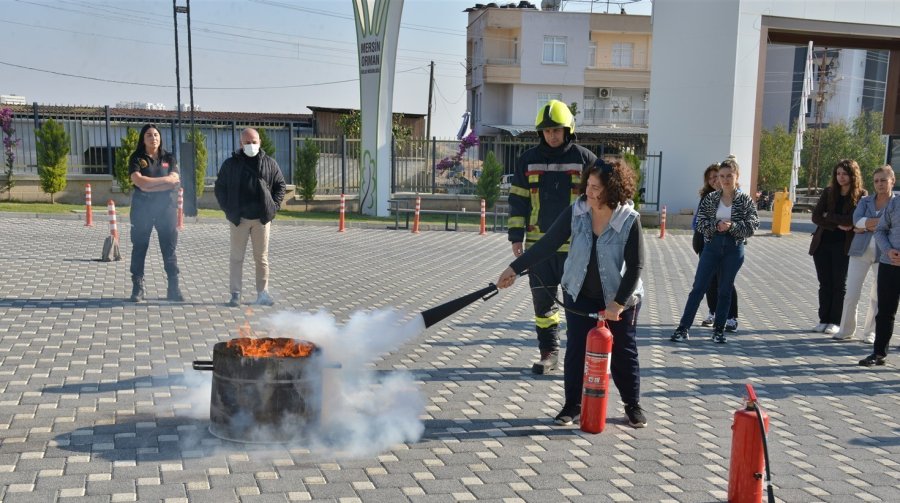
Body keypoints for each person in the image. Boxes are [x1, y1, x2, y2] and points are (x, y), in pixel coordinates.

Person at [497, 159, 647, 428]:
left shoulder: (628, 220)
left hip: (620, 298)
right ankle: (572, 406)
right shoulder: (576, 211)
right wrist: (514, 269)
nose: (588, 192)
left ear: (612, 189)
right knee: (577, 349)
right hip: (579, 292)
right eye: (587, 185)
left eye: (596, 188)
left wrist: (617, 303)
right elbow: (547, 244)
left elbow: (636, 266)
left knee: (624, 351)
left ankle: (632, 405)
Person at [507, 99, 597, 374]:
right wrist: (516, 237)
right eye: (547, 131)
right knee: (543, 305)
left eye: (557, 130)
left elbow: (601, 199)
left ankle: (581, 354)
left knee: (578, 306)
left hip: (577, 247)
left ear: (568, 129)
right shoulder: (528, 160)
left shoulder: (585, 159)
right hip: (539, 247)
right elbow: (518, 201)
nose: (552, 135)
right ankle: (549, 354)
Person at [671, 157, 759, 343]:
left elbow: (752, 226)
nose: (725, 180)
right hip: (711, 246)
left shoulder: (744, 200)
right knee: (699, 287)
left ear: (737, 176)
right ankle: (683, 328)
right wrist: (716, 224)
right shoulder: (711, 199)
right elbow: (700, 223)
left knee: (725, 289)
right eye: (721, 176)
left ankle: (719, 330)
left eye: (729, 176)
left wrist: (732, 226)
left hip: (734, 248)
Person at [214, 128, 286, 307]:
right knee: (236, 257)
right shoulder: (231, 164)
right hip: (239, 219)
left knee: (261, 258)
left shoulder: (270, 163)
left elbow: (280, 186)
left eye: (254, 142)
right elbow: (220, 187)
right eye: (247, 142)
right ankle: (235, 294)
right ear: (240, 144)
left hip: (261, 219)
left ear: (260, 142)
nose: (251, 145)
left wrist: (273, 207)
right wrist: (228, 209)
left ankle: (263, 293)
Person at [834, 166, 895, 343]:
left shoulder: (896, 204)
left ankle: (870, 332)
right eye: (876, 181)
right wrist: (881, 224)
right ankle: (846, 330)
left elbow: (893, 226)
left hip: (884, 254)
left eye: (884, 180)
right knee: (851, 293)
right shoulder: (865, 201)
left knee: (877, 296)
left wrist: (867, 225)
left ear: (892, 181)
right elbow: (856, 222)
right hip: (859, 251)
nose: (880, 184)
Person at [127, 123, 183, 303]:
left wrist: (149, 184)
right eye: (149, 135)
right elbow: (138, 181)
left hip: (165, 208)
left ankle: (173, 287)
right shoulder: (136, 158)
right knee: (139, 247)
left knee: (169, 248)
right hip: (142, 208)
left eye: (156, 134)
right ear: (143, 139)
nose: (154, 138)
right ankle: (138, 288)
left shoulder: (169, 157)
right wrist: (163, 183)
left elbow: (175, 180)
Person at [809, 159, 866, 335]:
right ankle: (823, 319)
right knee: (824, 283)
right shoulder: (828, 192)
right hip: (823, 243)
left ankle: (835, 321)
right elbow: (817, 217)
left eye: (845, 173)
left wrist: (830, 216)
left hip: (844, 245)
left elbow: (852, 220)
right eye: (838, 173)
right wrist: (837, 224)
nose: (841, 177)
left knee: (839, 284)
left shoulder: (861, 195)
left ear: (853, 175)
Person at [859, 166, 900, 366]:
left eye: (884, 180)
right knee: (885, 311)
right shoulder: (895, 204)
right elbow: (880, 230)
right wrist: (888, 251)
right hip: (889, 263)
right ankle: (878, 353)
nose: (880, 184)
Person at [692, 163, 739, 332]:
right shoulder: (707, 197)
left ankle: (731, 317)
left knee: (726, 281)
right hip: (706, 245)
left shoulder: (735, 197)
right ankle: (713, 312)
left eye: (717, 177)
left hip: (729, 246)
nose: (714, 181)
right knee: (709, 282)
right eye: (710, 178)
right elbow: (697, 222)